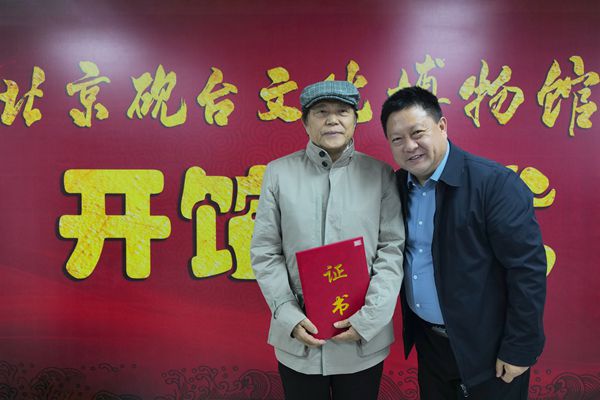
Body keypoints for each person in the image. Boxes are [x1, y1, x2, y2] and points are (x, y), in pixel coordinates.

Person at [380, 86, 546, 399]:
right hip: (431, 345)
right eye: (397, 139)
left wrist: (520, 347)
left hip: (490, 349)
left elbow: (527, 271)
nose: (409, 146)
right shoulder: (396, 187)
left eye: (418, 133)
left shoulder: (494, 184)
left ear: (442, 126)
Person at [250, 80, 405, 400]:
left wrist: (369, 319)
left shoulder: (379, 174)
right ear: (305, 122)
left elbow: (392, 250)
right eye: (321, 112)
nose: (332, 120)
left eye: (342, 112)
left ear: (355, 120)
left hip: (362, 340)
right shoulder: (278, 173)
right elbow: (265, 251)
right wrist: (289, 316)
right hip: (299, 338)